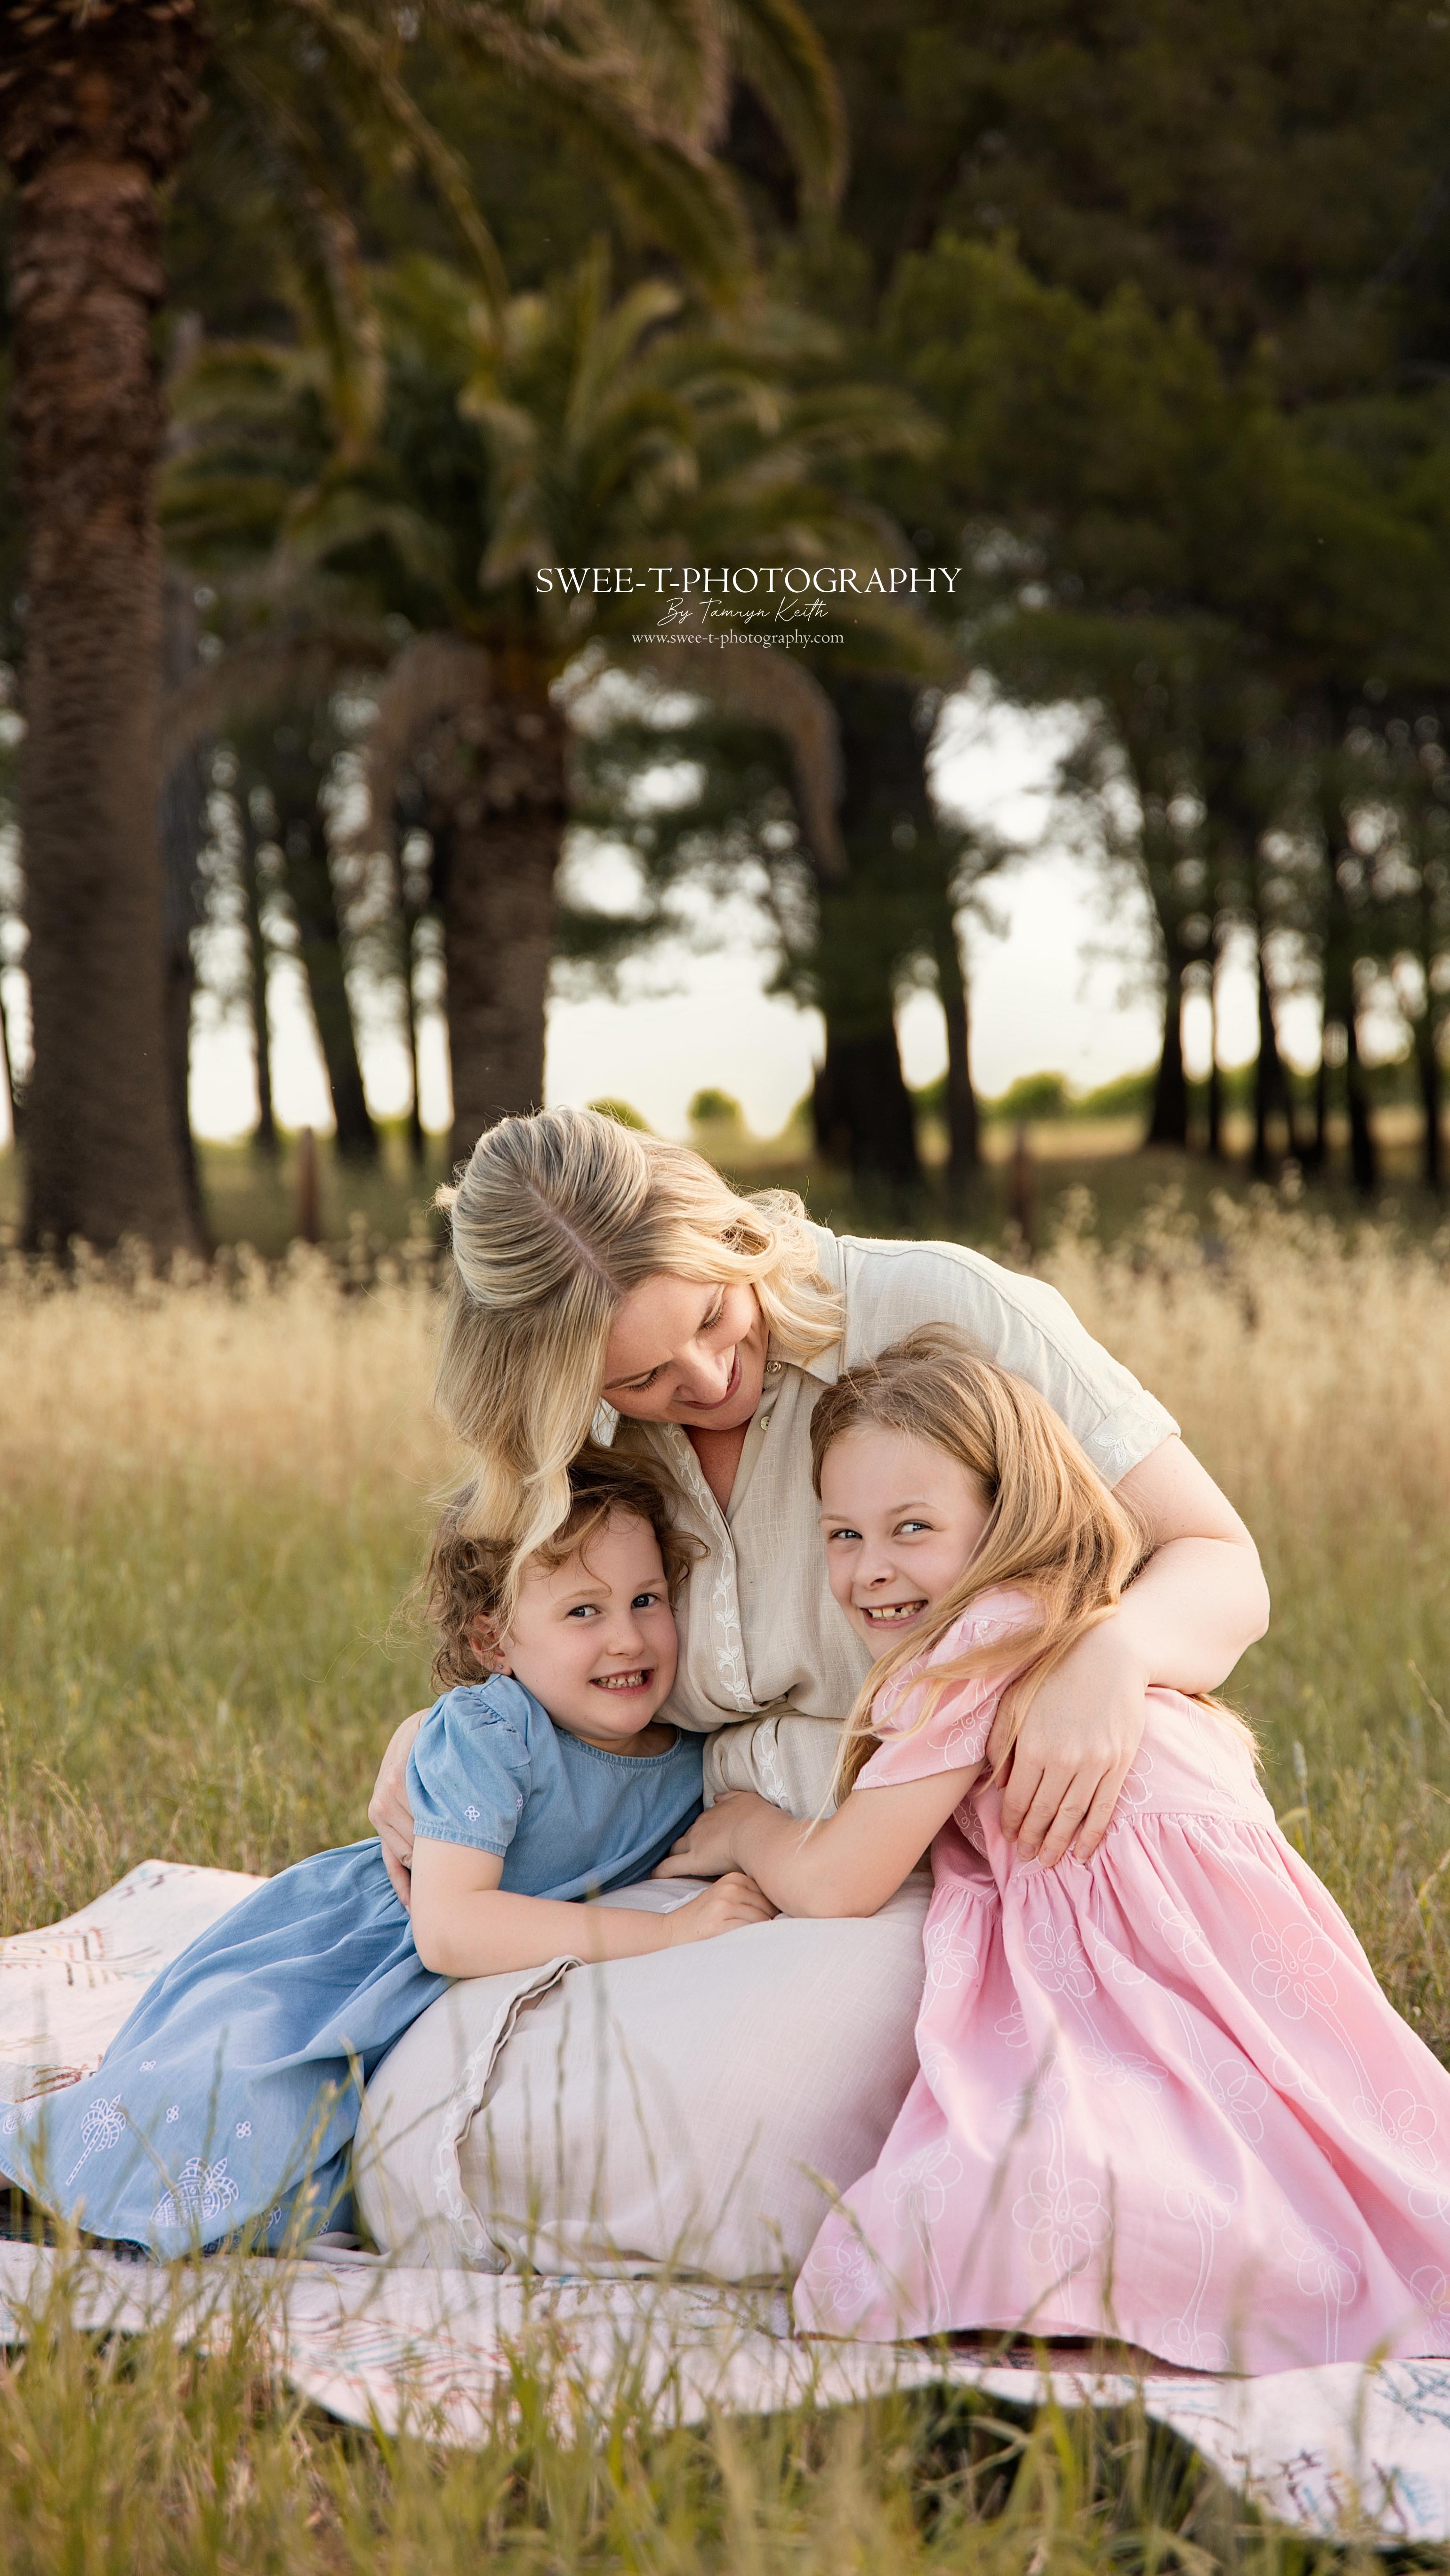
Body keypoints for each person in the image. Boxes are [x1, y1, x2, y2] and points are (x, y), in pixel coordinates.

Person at [659, 1328, 1450, 2371]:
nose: (871, 1569)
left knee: (1025, 2189)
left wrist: (746, 1830)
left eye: (912, 1528)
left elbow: (841, 1880)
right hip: (1242, 1943)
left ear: (1003, 1516)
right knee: (1311, 2147)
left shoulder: (974, 1645)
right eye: (841, 1535)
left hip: (1128, 1938)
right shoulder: (1075, 1618)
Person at [369, 1108, 1268, 1891]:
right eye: (640, 1378)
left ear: (731, 1236)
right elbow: (553, 1659)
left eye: (715, 1315)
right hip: (721, 1857)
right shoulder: (564, 1433)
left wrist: (1112, 1649)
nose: (711, 1379)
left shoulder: (941, 1305)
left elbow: (1222, 1565)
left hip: (1006, 1844)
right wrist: (448, 1736)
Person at [0, 1455, 772, 2256]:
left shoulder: (690, 1760)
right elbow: (451, 1928)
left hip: (414, 1997)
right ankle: (32, 2174)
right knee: (228, 2092)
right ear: (494, 1641)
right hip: (346, 1954)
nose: (627, 1637)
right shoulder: (493, 1733)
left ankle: (96, 2208)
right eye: (584, 1611)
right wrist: (675, 1934)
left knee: (307, 2196)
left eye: (647, 1601)